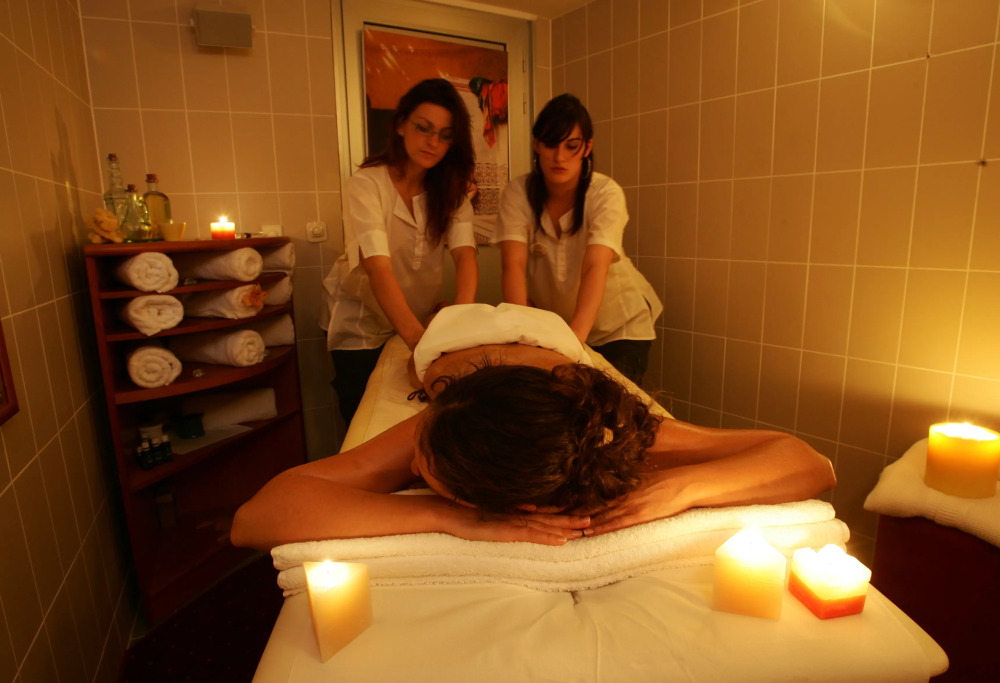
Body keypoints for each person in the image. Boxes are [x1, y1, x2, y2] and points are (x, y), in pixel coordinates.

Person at [232, 305, 836, 553]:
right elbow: (256, 518)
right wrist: (443, 514)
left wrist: (683, 488)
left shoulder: (613, 436)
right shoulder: (444, 420)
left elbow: (811, 464)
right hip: (453, 345)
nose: (412, 462)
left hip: (547, 341)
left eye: (424, 472)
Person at [321, 78, 478, 424]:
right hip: (361, 324)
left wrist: (458, 321)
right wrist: (421, 344)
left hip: (418, 320)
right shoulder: (367, 185)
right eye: (424, 128)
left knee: (420, 417)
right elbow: (378, 268)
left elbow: (465, 255)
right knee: (364, 418)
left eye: (445, 135)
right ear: (401, 125)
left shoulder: (449, 189)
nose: (433, 142)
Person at [495, 94, 661, 387]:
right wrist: (522, 335)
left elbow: (595, 266)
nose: (560, 157)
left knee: (606, 405)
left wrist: (572, 347)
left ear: (587, 147)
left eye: (571, 146)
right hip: (560, 330)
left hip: (618, 330)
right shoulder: (518, 194)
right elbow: (513, 265)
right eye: (551, 144)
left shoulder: (605, 194)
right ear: (536, 144)